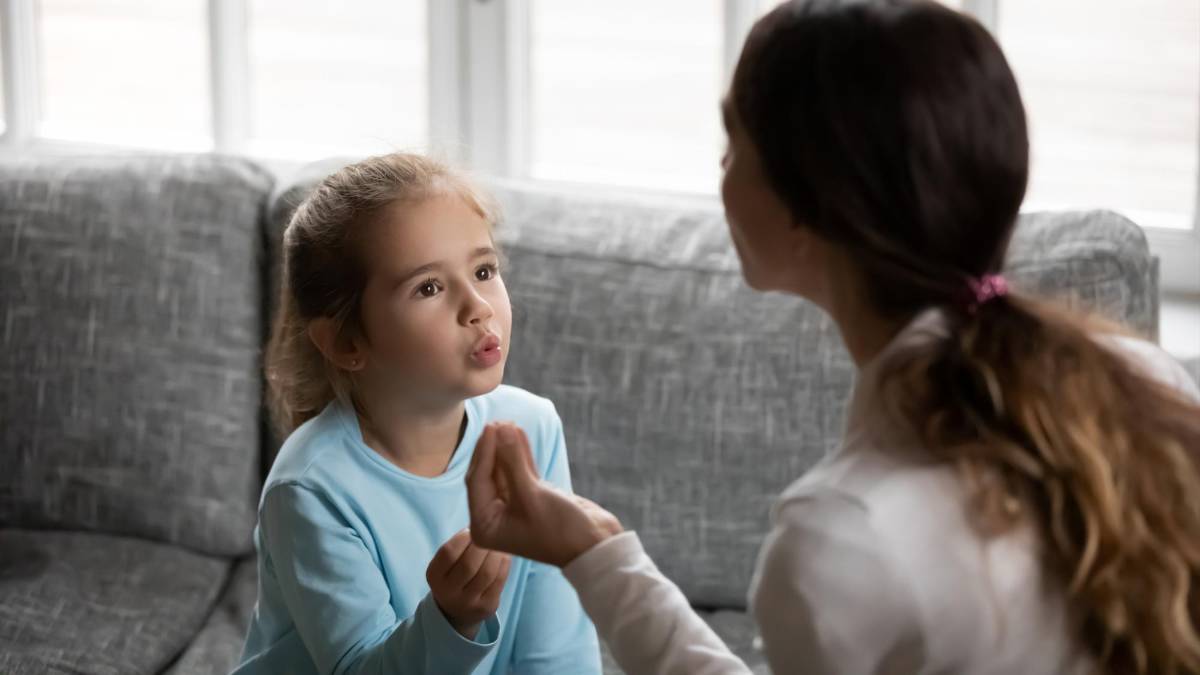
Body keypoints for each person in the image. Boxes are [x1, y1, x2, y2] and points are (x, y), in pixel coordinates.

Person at [464, 2, 1200, 673]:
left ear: (804, 207)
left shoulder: (842, 539)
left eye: (735, 142)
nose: (720, 168)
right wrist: (596, 549)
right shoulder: (1145, 379)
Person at [233, 153, 601, 674]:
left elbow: (558, 649)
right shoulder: (311, 488)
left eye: (483, 270)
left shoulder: (532, 430)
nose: (478, 306)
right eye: (429, 287)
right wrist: (450, 622)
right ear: (346, 340)